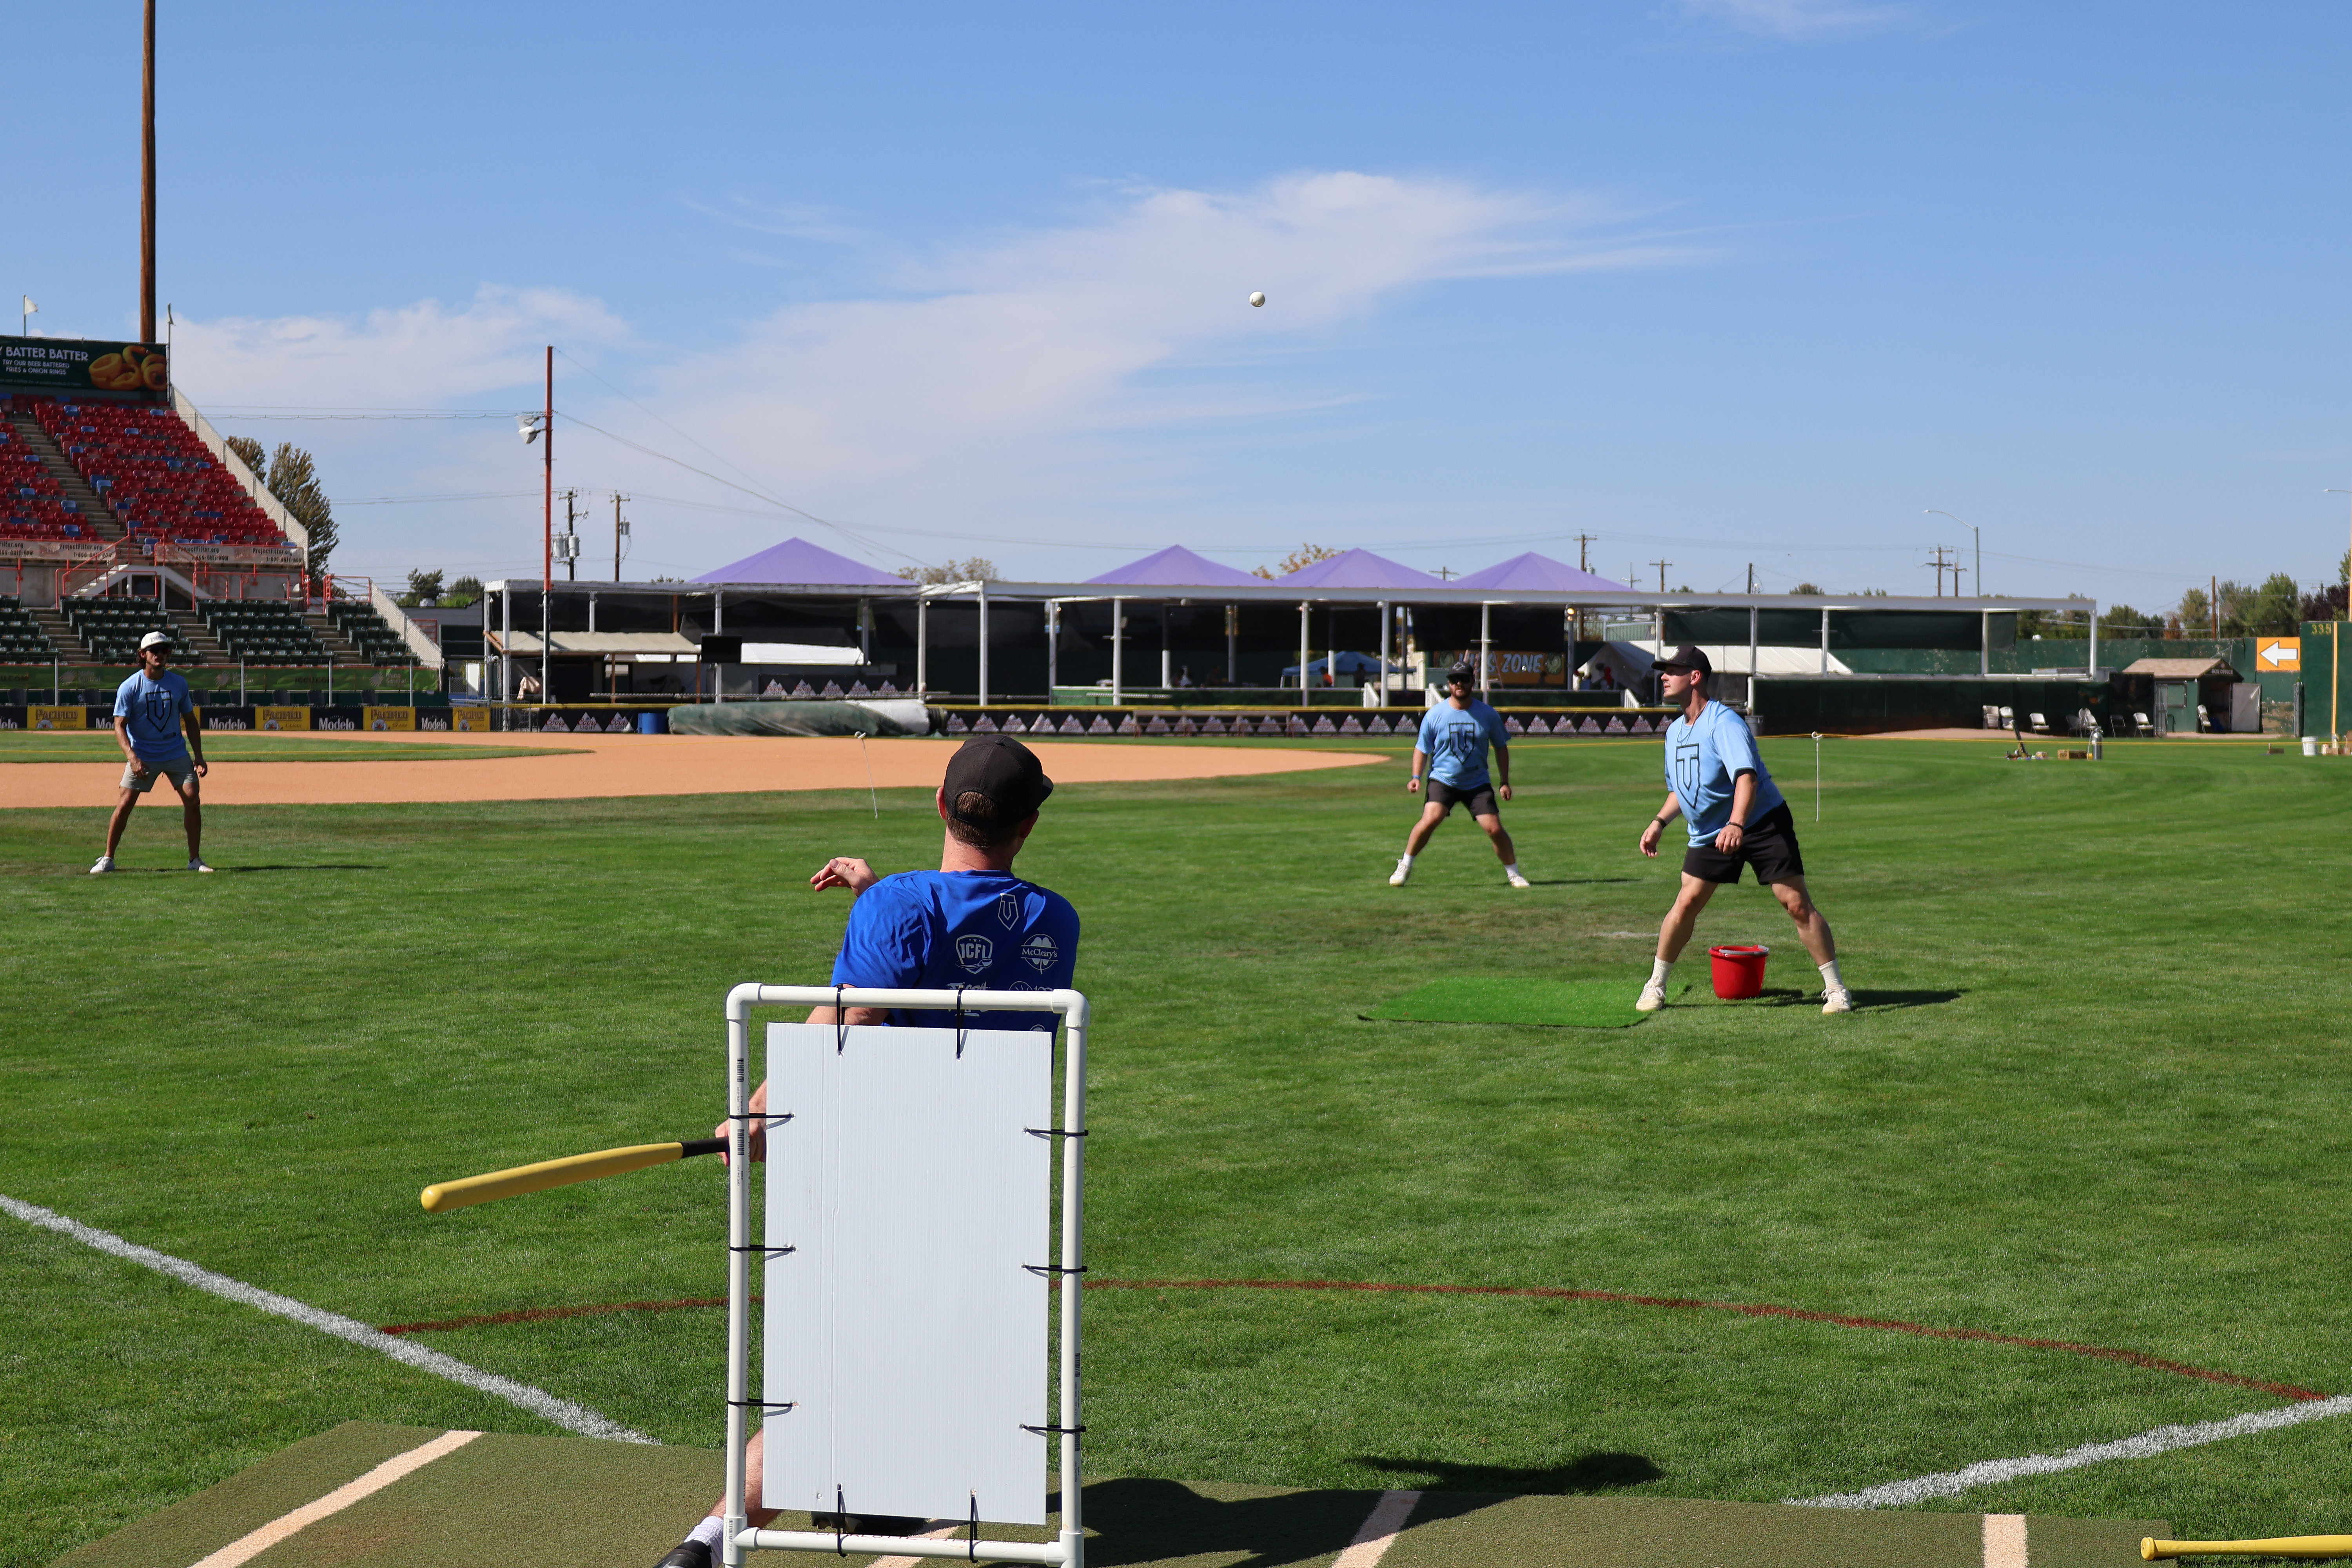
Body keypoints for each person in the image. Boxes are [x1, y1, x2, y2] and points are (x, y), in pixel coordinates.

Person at [657, 734, 1079, 1568]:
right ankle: (767, 1524)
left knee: (848, 1383)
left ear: (939, 803)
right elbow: (968, 957)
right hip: (992, 1181)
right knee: (897, 1368)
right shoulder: (1053, 919)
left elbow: (850, 1023)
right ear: (1028, 825)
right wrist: (881, 896)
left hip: (880, 1174)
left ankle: (707, 1541)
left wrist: (756, 1113)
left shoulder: (896, 911)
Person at [1635, 645, 1849, 1014]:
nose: (1663, 677)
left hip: (1760, 822)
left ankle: (1836, 989)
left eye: (1671, 670)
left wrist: (1737, 824)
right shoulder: (1673, 733)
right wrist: (1659, 822)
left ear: (1695, 677)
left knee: (1796, 903)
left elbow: (1745, 778)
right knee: (1686, 903)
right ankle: (1655, 985)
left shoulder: (1725, 723)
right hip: (1710, 832)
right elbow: (1681, 790)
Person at [1390, 659, 1528, 888]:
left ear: (1472, 682)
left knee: (1494, 828)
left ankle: (1514, 874)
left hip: (1477, 783)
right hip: (1443, 780)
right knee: (1431, 819)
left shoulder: (1487, 714)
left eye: (1464, 679)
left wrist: (1504, 781)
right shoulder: (1435, 714)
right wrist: (1416, 777)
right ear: (1449, 684)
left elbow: (1501, 747)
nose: (1459, 684)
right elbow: (1422, 748)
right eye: (1454, 680)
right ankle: (1404, 865)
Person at [93, 631, 210, 874]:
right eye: (155, 651)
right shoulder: (130, 687)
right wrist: (133, 758)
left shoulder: (179, 683)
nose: (160, 655)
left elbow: (190, 720)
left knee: (193, 800)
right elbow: (119, 726)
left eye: (164, 650)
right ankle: (108, 858)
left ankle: (194, 860)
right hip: (144, 754)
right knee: (125, 804)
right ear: (143, 655)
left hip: (176, 752)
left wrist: (198, 755)